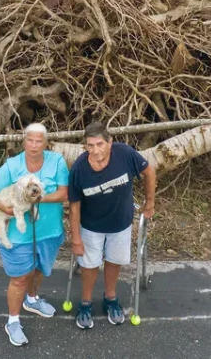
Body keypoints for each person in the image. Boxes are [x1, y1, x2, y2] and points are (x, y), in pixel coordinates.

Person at [0, 122, 69, 347]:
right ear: (24, 141)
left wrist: (38, 197)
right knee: (20, 277)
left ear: (45, 143)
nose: (33, 145)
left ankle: (32, 300)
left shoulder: (56, 162)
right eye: (29, 140)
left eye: (38, 141)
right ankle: (12, 321)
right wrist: (6, 209)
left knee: (39, 270)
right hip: (18, 235)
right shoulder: (12, 166)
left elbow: (63, 193)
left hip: (49, 231)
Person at [67, 121, 157, 329]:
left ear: (110, 142)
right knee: (89, 266)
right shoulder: (79, 169)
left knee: (114, 261)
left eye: (99, 144)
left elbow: (149, 172)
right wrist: (76, 238)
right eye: (90, 146)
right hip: (91, 226)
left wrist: (150, 202)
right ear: (85, 147)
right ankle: (86, 303)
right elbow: (74, 207)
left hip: (120, 223)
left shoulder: (124, 154)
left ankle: (110, 299)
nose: (95, 150)